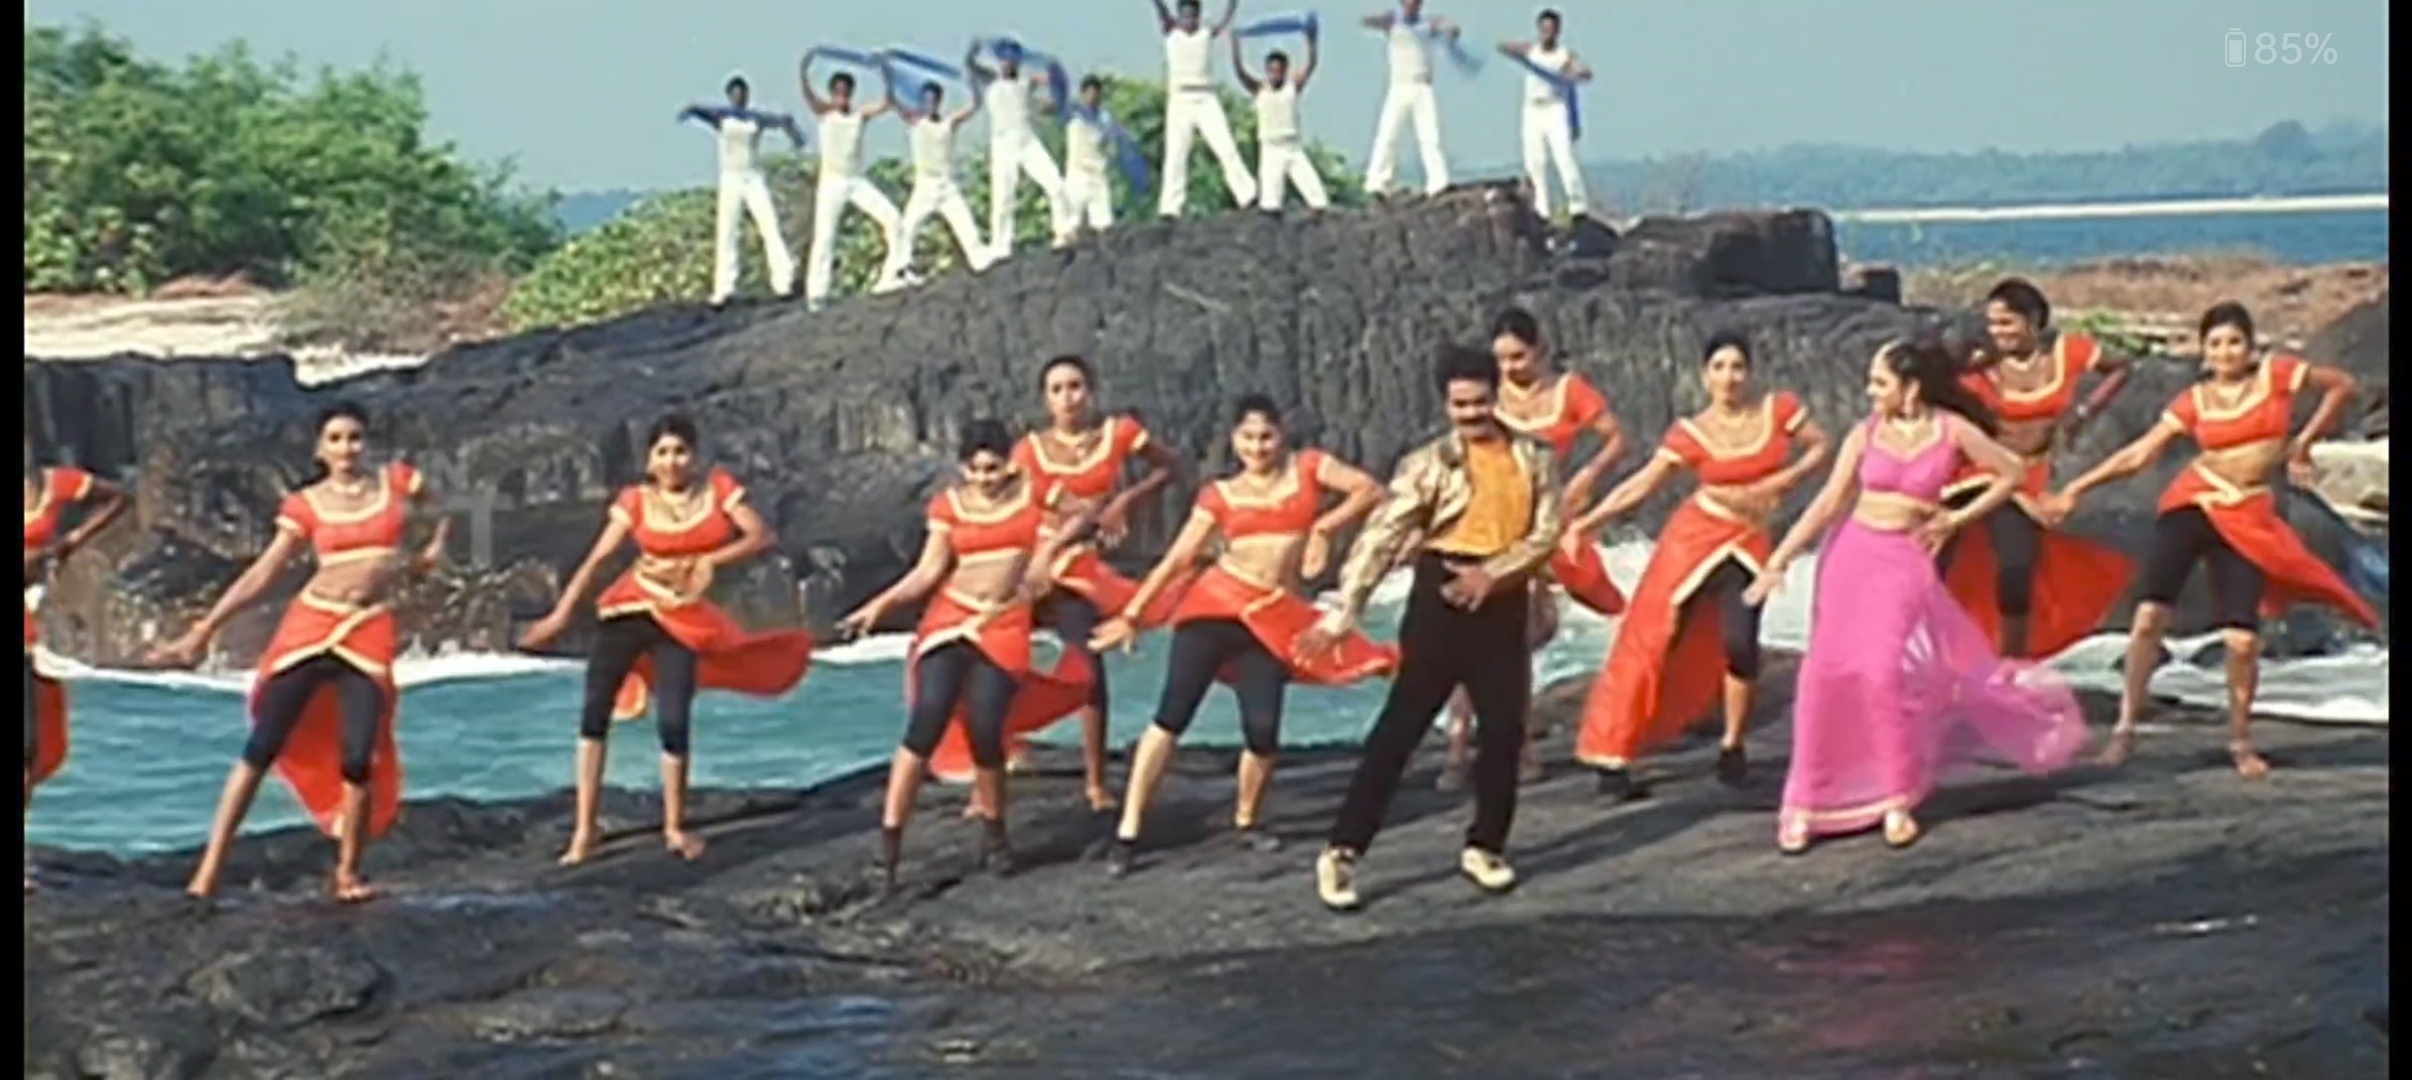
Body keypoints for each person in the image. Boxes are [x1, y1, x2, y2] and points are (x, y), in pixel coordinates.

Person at [1743, 339, 2087, 854]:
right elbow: (1829, 503)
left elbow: (2012, 473)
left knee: (1882, 674)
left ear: (1911, 387)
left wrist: (1957, 518)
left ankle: (1895, 797)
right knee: (1824, 675)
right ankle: (1805, 803)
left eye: (1880, 381)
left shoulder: (1951, 430)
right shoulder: (1865, 433)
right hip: (1852, 558)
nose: (1870, 391)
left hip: (1904, 561)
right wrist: (1779, 559)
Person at [2041, 302, 2376, 777]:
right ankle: (2124, 730)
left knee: (2242, 640)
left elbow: (2342, 385)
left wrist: (2304, 443)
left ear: (2250, 347)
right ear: (2204, 352)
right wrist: (2077, 488)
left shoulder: (2276, 377)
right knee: (2149, 617)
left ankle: (2240, 740)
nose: (2224, 352)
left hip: (2248, 514)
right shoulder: (2195, 400)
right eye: (2215, 344)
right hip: (2191, 505)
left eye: (2233, 342)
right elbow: (2141, 453)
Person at [1299, 343, 1564, 912]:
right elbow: (1382, 535)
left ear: (1496, 397)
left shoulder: (1535, 457)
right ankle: (1343, 850)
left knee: (1504, 731)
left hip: (1502, 597)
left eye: (1479, 402)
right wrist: (1348, 607)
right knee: (1401, 729)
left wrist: (1494, 575)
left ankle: (1485, 846)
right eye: (1459, 405)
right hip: (1440, 597)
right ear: (1446, 404)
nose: (1470, 414)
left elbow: (1546, 534)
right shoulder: (1427, 463)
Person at [147, 403, 449, 902]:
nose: (346, 447)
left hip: (368, 629)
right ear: (320, 449)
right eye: (335, 438)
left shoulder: (396, 483)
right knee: (261, 748)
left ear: (366, 443)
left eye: (354, 437)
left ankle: (348, 874)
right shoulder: (305, 505)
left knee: (359, 756)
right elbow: (264, 573)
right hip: (311, 627)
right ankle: (208, 871)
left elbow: (440, 508)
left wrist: (426, 556)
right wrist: (202, 630)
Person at [1088, 395, 1393, 877]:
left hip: (1269, 618)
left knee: (1263, 728)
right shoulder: (1220, 494)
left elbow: (1369, 489)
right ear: (1234, 440)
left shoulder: (1309, 467)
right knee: (1172, 715)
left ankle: (1247, 820)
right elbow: (1177, 560)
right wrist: (1132, 615)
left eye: (1266, 437)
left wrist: (1323, 527)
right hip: (1213, 609)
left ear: (1282, 435)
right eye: (1248, 438)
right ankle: (1128, 831)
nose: (1257, 447)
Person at [519, 414, 816, 866]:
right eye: (662, 452)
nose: (671, 461)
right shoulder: (636, 501)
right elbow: (599, 558)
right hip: (628, 609)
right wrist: (560, 615)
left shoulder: (718, 490)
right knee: (595, 710)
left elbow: (760, 535)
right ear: (649, 460)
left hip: (683, 617)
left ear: (694, 457)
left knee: (674, 718)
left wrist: (712, 560)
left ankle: (675, 826)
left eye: (680, 451)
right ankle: (585, 830)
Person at [1568, 332, 1831, 796]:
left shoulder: (1779, 410)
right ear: (1705, 376)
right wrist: (1589, 521)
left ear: (1750, 372)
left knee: (1740, 641)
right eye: (1719, 368)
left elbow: (1822, 445)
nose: (1729, 377)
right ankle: (1612, 755)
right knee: (1654, 637)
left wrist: (1783, 481)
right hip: (1693, 538)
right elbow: (1644, 483)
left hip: (1748, 542)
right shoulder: (1691, 432)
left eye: (1737, 367)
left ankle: (1733, 745)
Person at [837, 419, 1091, 885]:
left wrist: (1047, 551)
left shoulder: (1033, 493)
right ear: (962, 469)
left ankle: (995, 837)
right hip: (950, 621)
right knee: (927, 718)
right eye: (975, 470)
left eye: (992, 468)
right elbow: (928, 572)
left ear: (1008, 464)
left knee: (987, 728)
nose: (985, 478)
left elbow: (1084, 513)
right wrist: (879, 606)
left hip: (1003, 625)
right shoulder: (948, 506)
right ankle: (889, 848)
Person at [935, 355, 1188, 812]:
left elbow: (1171, 466)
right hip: (1029, 563)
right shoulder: (1028, 451)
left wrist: (1125, 502)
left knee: (1087, 661)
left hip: (1078, 566)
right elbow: (1003, 501)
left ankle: (1095, 783)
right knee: (989, 661)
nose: (1067, 398)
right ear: (1045, 399)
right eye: (1056, 389)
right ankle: (985, 783)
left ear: (1090, 390)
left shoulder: (1119, 433)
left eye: (1074, 386)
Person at [1432, 306, 1626, 790]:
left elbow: (1616, 438)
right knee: (1472, 633)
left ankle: (1512, 745)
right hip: (1486, 517)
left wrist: (1585, 477)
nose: (1510, 367)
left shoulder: (1568, 392)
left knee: (1523, 633)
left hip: (1541, 520)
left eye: (1518, 357)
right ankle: (1459, 748)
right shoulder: (1488, 396)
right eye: (1501, 359)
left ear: (1539, 349)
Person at [1939, 278, 2137, 659]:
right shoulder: (1983, 369)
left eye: (2007, 323)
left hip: (2034, 475)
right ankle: (1941, 650)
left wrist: (2085, 411)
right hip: (1983, 475)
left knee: (2021, 568)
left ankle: (2012, 662)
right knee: (1984, 557)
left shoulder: (2067, 353)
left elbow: (2121, 367)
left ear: (2032, 320)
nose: (1998, 332)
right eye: (1993, 324)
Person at [22, 435, 130, 892]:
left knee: (31, 747)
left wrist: (70, 542)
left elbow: (119, 497)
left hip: (30, 626)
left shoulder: (56, 484)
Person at [677, 74, 806, 305]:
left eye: (742, 94)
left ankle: (783, 280)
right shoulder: (722, 117)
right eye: (735, 94)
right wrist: (690, 111)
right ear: (730, 96)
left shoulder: (755, 118)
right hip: (730, 178)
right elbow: (702, 111)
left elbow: (781, 121)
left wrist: (795, 134)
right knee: (727, 231)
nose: (739, 98)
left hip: (752, 176)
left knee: (769, 226)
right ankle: (724, 288)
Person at [799, 53, 907, 308]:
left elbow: (887, 103)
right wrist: (804, 69)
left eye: (846, 92)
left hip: (856, 180)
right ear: (832, 94)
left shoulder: (859, 115)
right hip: (831, 182)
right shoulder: (825, 114)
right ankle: (817, 294)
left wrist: (885, 73)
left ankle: (894, 274)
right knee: (824, 237)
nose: (842, 97)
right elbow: (809, 96)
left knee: (894, 220)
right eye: (838, 92)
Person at [963, 39, 1076, 256]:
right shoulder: (991, 81)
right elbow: (972, 67)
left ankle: (1064, 229)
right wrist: (973, 52)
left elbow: (1050, 79)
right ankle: (1000, 246)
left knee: (1055, 183)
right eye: (1004, 60)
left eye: (1012, 60)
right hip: (1002, 143)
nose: (1007, 64)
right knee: (1003, 197)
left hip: (1026, 139)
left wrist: (1054, 71)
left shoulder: (1026, 81)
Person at [1151, 0, 1259, 217]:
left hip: (1205, 97)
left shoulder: (1206, 33)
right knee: (1176, 154)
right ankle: (1170, 207)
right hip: (1180, 98)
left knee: (1225, 147)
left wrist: (1232, 5)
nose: (1189, 20)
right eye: (1185, 15)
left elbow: (1224, 22)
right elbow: (1161, 11)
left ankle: (1247, 194)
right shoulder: (1172, 33)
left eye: (1192, 15)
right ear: (1179, 16)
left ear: (1198, 16)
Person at [886, 79, 996, 283]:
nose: (929, 104)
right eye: (926, 100)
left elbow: (974, 105)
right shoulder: (917, 122)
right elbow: (893, 102)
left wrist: (972, 80)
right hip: (924, 186)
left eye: (933, 100)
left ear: (939, 102)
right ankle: (902, 268)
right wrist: (887, 74)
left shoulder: (948, 123)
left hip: (947, 186)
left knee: (966, 227)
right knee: (907, 228)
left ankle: (981, 262)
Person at [1360, 0, 1460, 199]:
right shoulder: (1393, 23)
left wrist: (1447, 30)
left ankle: (1438, 181)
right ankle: (1377, 182)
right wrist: (1387, 20)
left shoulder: (1427, 25)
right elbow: (1368, 21)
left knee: (1430, 136)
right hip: (1399, 85)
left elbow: (1451, 29)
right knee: (1388, 134)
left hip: (1422, 86)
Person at [1498, 9, 1591, 222]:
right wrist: (1515, 52)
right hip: (1532, 109)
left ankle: (1578, 205)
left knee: (1564, 157)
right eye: (1543, 29)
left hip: (1554, 109)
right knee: (1534, 161)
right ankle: (1541, 209)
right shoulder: (1532, 51)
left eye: (1551, 29)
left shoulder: (1564, 55)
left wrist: (1573, 74)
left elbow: (1585, 72)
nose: (1547, 33)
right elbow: (1505, 47)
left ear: (1558, 31)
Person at [1229, 27, 1330, 213]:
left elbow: (1311, 65)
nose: (1275, 75)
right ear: (1267, 71)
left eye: (1279, 71)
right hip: (1270, 149)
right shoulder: (1260, 89)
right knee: (1270, 204)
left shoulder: (1292, 87)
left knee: (1318, 199)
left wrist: (1311, 40)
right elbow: (1240, 72)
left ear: (1285, 71)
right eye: (1272, 71)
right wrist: (1235, 45)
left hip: (1292, 147)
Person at [1060, 77, 1122, 235]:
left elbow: (1111, 144)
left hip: (1098, 175)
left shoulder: (1105, 119)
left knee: (1104, 224)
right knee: (1070, 224)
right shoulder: (1074, 115)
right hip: (1077, 174)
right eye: (1088, 93)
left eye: (1096, 94)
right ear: (1083, 94)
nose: (1092, 97)